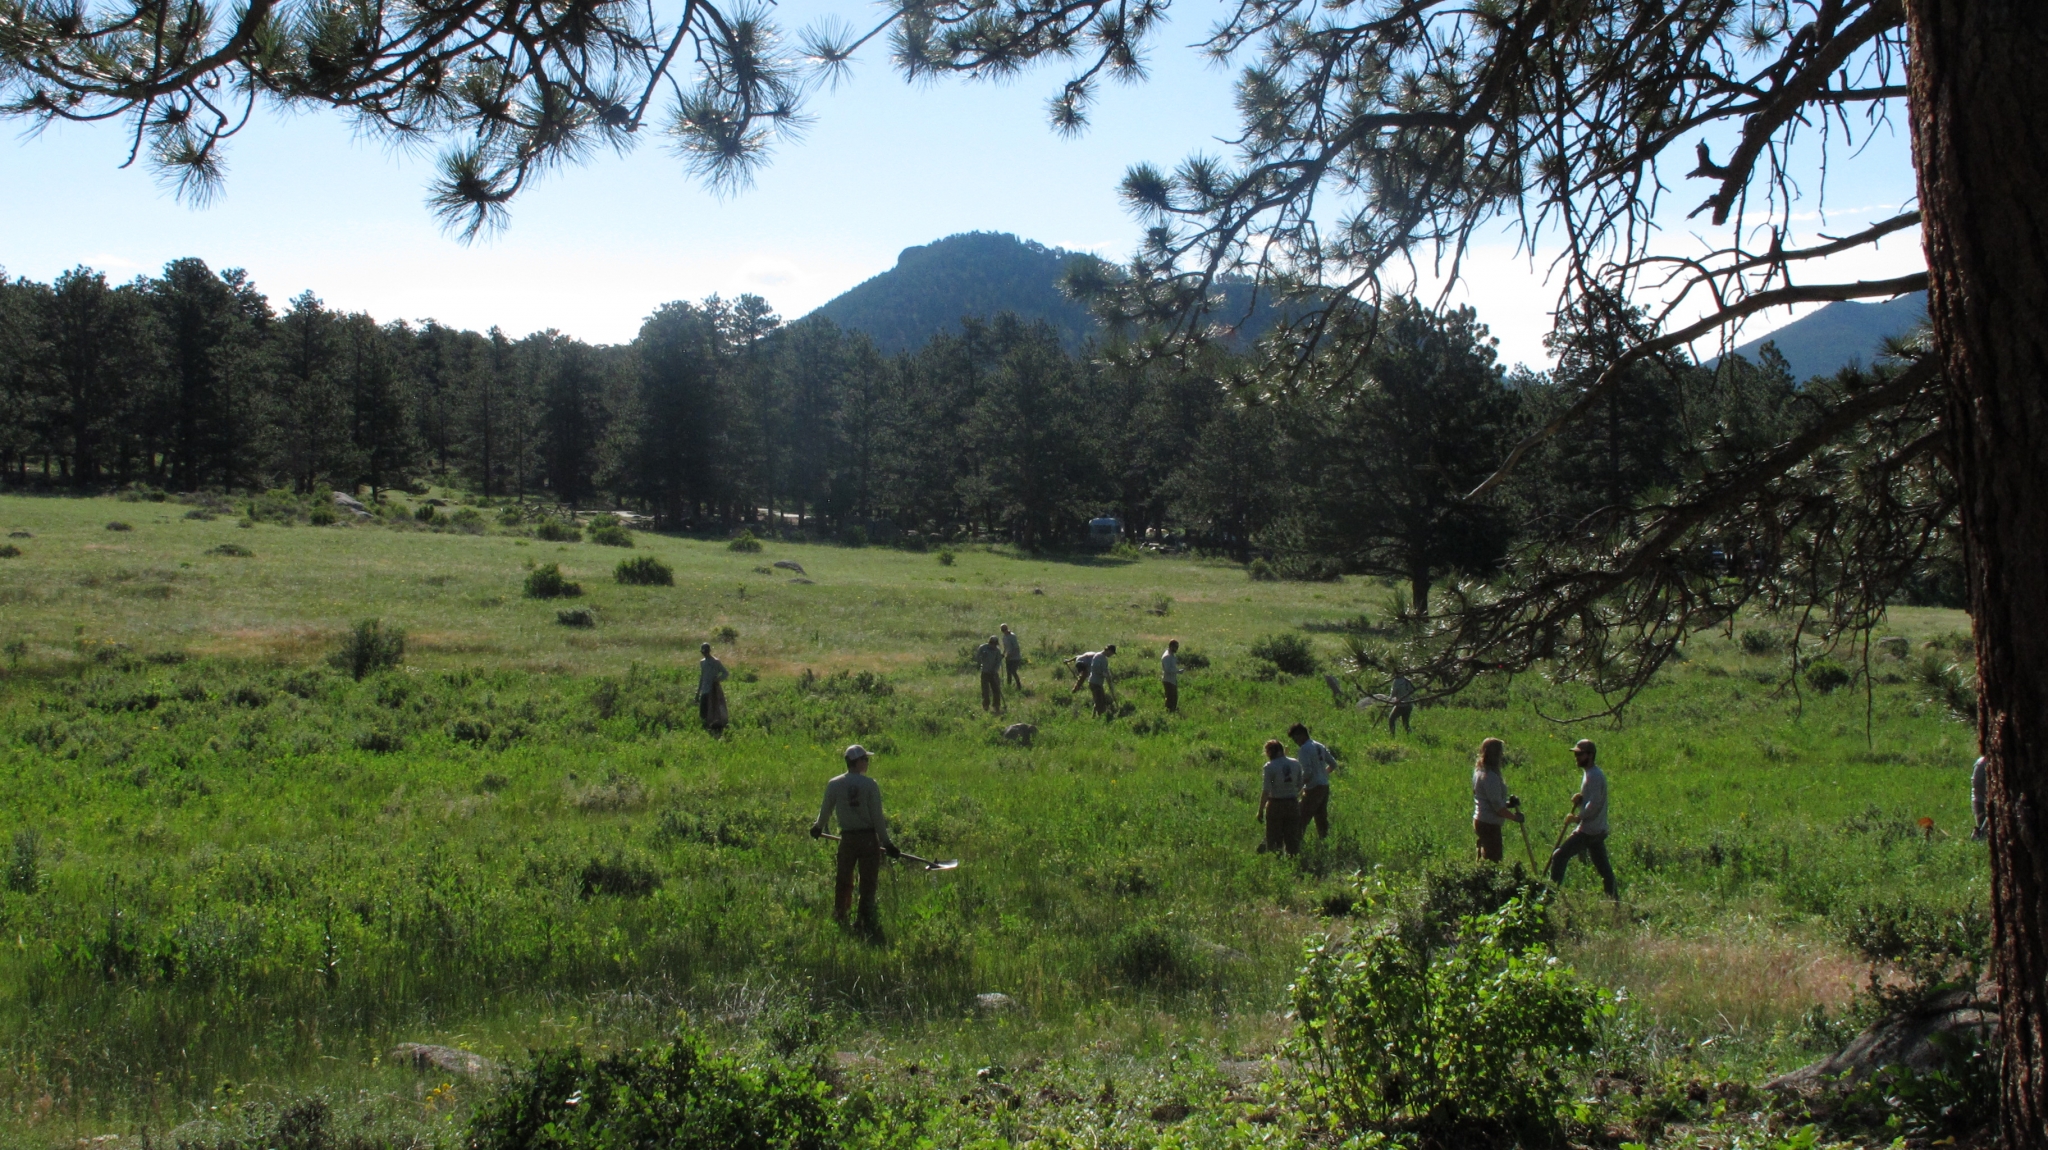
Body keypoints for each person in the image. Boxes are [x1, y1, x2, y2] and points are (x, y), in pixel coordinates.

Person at [810, 744, 902, 932]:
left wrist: (817, 828)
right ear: (857, 762)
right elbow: (878, 819)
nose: (867, 763)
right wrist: (887, 844)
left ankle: (840, 914)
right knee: (868, 882)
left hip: (847, 840)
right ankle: (863, 919)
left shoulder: (834, 784)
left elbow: (825, 811)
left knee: (844, 879)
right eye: (865, 760)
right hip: (868, 840)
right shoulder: (870, 785)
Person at [1547, 739, 1619, 898]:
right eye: (1575, 754)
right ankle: (1615, 902)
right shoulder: (1591, 774)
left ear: (1590, 755)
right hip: (1597, 829)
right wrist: (1581, 799)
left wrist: (1578, 817)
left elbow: (1593, 805)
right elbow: (1591, 799)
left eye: (1580, 754)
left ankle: (1548, 898)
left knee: (1559, 856)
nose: (1576, 757)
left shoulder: (1593, 776)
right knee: (1604, 870)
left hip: (1589, 830)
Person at [1472, 736, 1520, 861]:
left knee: (1486, 857)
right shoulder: (1489, 777)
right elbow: (1497, 807)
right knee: (1494, 860)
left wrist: (1509, 804)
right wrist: (1515, 818)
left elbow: (1492, 800)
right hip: (1489, 824)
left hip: (1482, 820)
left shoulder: (1479, 772)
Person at [1290, 723, 1337, 840]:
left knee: (1301, 818)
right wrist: (1322, 774)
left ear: (1302, 735)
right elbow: (1333, 764)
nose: (1295, 741)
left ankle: (1295, 846)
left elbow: (1308, 772)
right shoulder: (1319, 745)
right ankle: (1325, 842)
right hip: (1324, 786)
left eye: (1296, 738)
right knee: (1321, 819)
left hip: (1313, 788)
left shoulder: (1304, 750)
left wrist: (1299, 787)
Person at [1258, 739, 1305, 855]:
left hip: (1275, 805)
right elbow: (1301, 786)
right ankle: (1293, 861)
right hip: (1292, 803)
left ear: (1269, 752)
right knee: (1292, 837)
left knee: (1274, 838)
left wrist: (1260, 810)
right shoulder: (1295, 763)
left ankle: (1277, 861)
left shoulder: (1270, 767)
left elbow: (1266, 791)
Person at [1072, 644, 1116, 714]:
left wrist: (1108, 674)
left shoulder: (1102, 658)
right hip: (1095, 682)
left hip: (1098, 682)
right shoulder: (1098, 657)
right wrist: (1104, 674)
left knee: (1100, 699)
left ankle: (1094, 716)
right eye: (1111, 653)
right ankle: (1101, 717)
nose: (1111, 655)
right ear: (1108, 650)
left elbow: (1104, 669)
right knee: (1100, 702)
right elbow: (1095, 669)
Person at [697, 642, 730, 733]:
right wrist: (698, 692)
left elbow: (725, 673)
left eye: (706, 651)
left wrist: (717, 679)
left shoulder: (716, 662)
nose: (704, 653)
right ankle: (705, 727)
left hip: (713, 689)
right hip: (704, 689)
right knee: (703, 710)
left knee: (714, 708)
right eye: (703, 651)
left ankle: (717, 727)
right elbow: (702, 677)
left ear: (709, 651)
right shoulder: (702, 662)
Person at [976, 635, 1006, 714]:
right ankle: (986, 706)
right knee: (985, 690)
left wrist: (995, 670)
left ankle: (996, 706)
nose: (993, 646)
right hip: (985, 672)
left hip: (993, 673)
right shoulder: (983, 648)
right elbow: (977, 657)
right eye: (993, 644)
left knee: (996, 690)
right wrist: (982, 660)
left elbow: (998, 662)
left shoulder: (997, 651)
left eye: (995, 644)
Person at [1000, 624, 1024, 690]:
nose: (1003, 631)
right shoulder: (1004, 637)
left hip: (1015, 657)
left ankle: (1019, 686)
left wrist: (1010, 655)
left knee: (1013, 671)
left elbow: (1016, 647)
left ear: (1007, 628)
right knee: (1008, 673)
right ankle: (1009, 687)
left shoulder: (1012, 636)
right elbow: (1005, 647)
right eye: (1002, 630)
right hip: (1008, 658)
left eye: (1004, 629)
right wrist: (1003, 654)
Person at [1972, 755, 1990, 841]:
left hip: (1991, 799)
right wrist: (1986, 795)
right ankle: (1977, 838)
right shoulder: (1982, 763)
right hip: (1980, 800)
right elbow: (1976, 784)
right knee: (1983, 827)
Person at [1161, 640, 1181, 712]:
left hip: (1172, 680)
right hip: (1168, 680)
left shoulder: (1172, 655)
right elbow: (1167, 669)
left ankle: (1173, 710)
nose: (1177, 649)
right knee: (1170, 697)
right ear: (1171, 646)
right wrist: (1177, 671)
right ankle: (1169, 711)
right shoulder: (1167, 656)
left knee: (1174, 697)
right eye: (1175, 647)